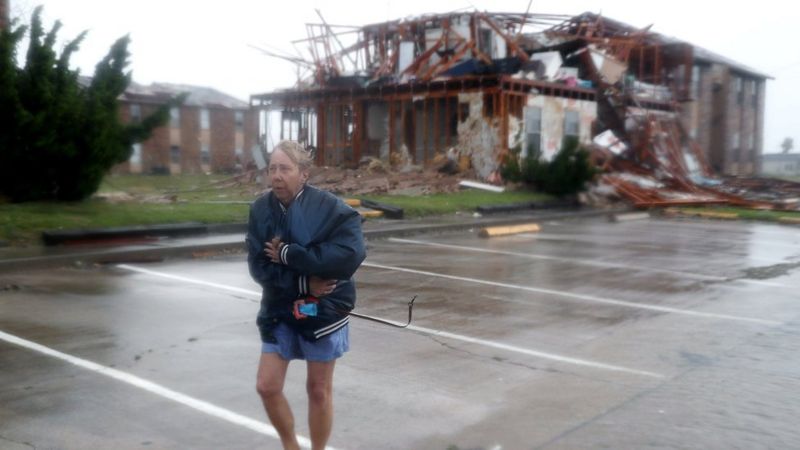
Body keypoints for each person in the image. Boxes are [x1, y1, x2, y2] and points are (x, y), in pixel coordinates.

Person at [246, 140, 366, 450]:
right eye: (272, 169)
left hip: (323, 310)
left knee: (318, 390)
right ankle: (291, 446)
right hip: (280, 309)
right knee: (266, 386)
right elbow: (259, 267)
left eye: (285, 169)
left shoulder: (332, 210)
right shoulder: (261, 211)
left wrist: (289, 255)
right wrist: (303, 286)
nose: (276, 176)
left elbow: (349, 256)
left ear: (304, 174)